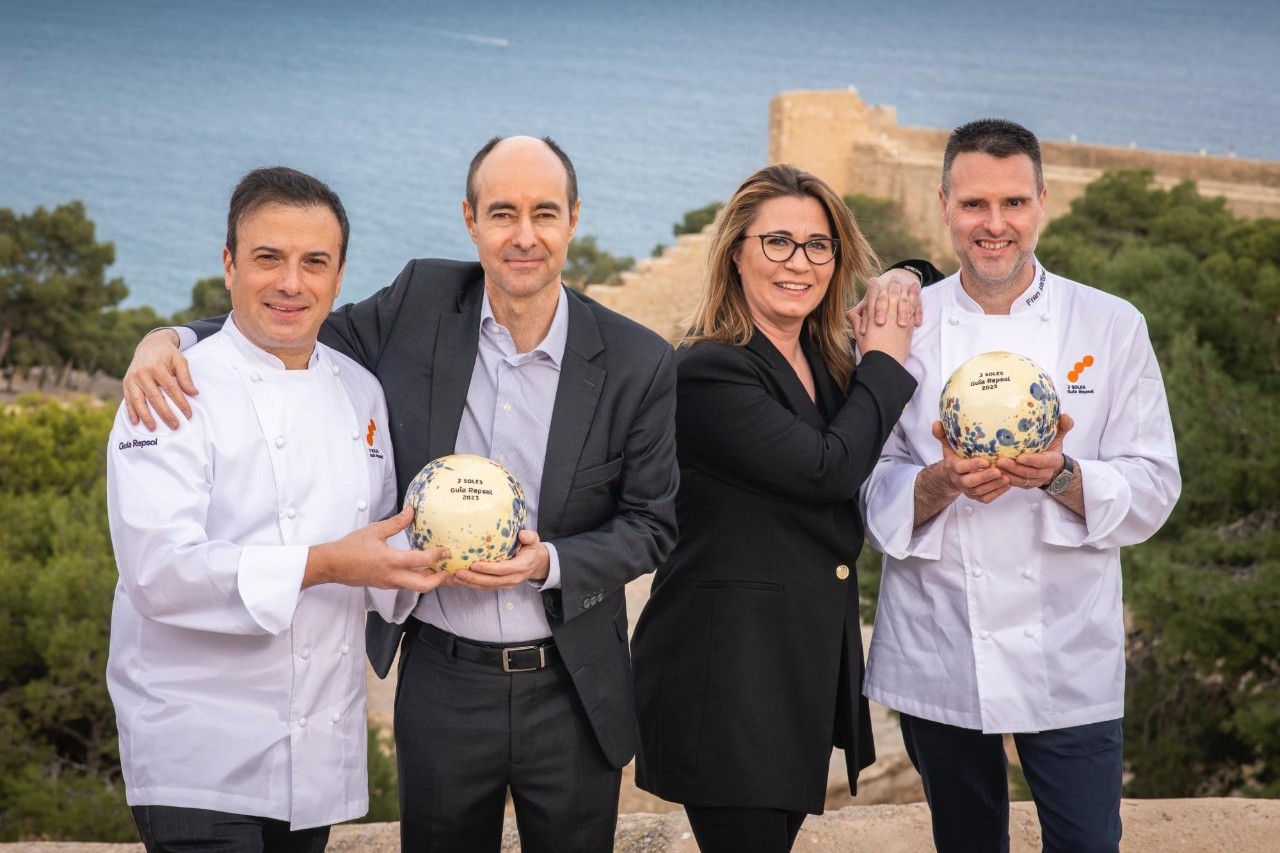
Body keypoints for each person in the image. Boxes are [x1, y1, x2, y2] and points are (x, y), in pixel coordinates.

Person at [120, 136, 680, 853]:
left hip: (570, 687)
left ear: (574, 219)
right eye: (502, 212)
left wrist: (551, 562)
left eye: (544, 212)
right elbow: (292, 320)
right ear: (470, 219)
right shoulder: (421, 301)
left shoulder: (637, 359)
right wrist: (166, 337)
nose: (524, 235)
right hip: (442, 679)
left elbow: (652, 525)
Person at [860, 118, 1182, 853]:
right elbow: (861, 480)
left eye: (1013, 203)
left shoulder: (1111, 324)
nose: (994, 224)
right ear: (943, 204)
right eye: (974, 204)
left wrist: (1064, 476)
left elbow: (1157, 484)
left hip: (1069, 648)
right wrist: (938, 484)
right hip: (940, 641)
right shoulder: (900, 326)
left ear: (1043, 201)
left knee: (1087, 843)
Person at [106, 166, 450, 851]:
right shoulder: (171, 388)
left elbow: (380, 555)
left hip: (314, 758)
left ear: (340, 275)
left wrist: (450, 559)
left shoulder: (360, 392)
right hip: (197, 756)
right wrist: (325, 564)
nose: (291, 282)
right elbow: (158, 572)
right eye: (268, 258)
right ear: (229, 264)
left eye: (313, 262)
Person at [629, 163, 942, 853]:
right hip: (726, 682)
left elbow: (934, 286)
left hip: (790, 675)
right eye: (776, 242)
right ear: (736, 251)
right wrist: (885, 363)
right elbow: (827, 468)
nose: (798, 262)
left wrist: (905, 275)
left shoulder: (824, 363)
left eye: (817, 245)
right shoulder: (710, 370)